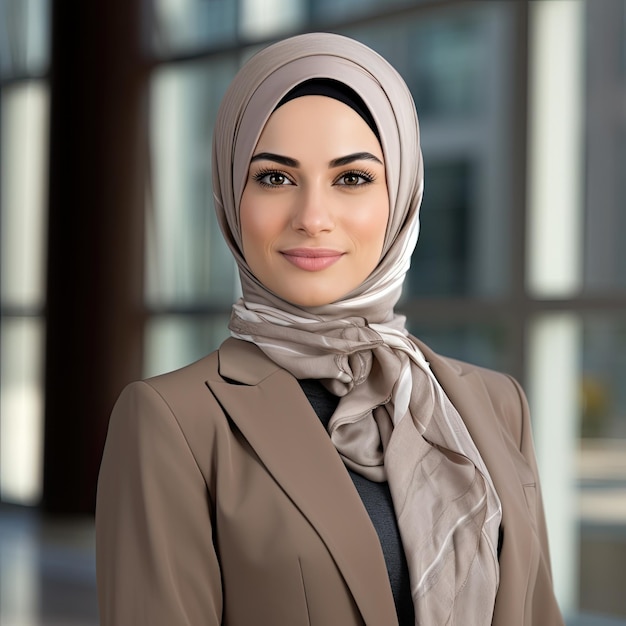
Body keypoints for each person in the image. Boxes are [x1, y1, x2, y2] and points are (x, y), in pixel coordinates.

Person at [96, 32, 564, 626]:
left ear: (402, 198)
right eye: (274, 178)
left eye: (352, 179)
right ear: (228, 195)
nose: (313, 218)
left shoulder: (497, 406)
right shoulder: (173, 423)